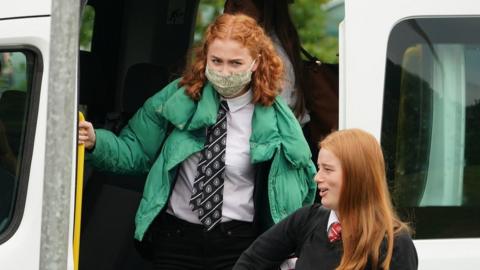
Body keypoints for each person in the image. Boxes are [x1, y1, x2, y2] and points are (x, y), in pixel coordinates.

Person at [78, 13, 316, 270]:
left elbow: (299, 190)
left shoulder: (278, 120)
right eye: (216, 61)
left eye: (235, 63)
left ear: (256, 63)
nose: (224, 72)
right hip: (175, 240)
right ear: (205, 59)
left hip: (240, 245)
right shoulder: (177, 99)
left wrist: (289, 249)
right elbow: (135, 150)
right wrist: (96, 141)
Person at [233, 129, 418, 270]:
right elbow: (250, 262)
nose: (317, 177)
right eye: (319, 168)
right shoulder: (307, 219)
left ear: (358, 176)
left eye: (328, 170)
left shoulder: (395, 244)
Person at [224, 0, 309, 126]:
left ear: (263, 11)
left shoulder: (274, 56)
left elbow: (272, 119)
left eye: (237, 6)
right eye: (226, 5)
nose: (227, 13)